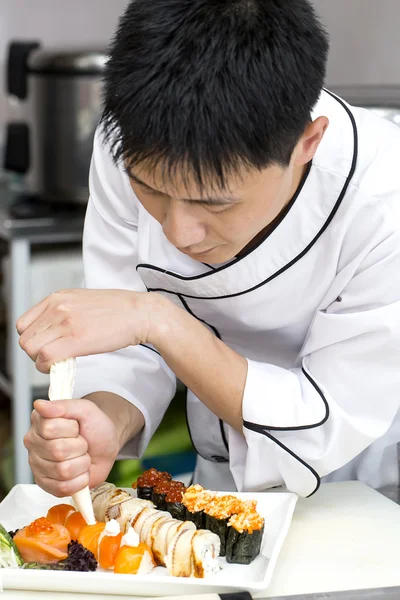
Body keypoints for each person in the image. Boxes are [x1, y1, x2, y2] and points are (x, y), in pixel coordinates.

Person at [17, 0, 400, 499]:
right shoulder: (128, 145)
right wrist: (103, 421)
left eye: (215, 203)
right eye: (151, 190)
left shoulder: (382, 196)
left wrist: (158, 318)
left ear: (307, 144)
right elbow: (126, 350)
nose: (178, 234)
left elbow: (322, 423)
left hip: (360, 484)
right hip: (218, 480)